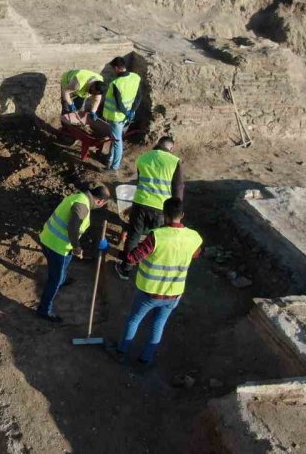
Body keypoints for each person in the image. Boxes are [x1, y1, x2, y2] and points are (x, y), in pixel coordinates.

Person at [109, 197, 202, 365]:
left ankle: (121, 351)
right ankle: (145, 359)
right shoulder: (194, 237)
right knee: (159, 323)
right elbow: (196, 254)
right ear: (182, 215)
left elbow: (132, 258)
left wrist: (108, 249)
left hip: (150, 292)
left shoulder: (157, 236)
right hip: (174, 293)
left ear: (164, 215)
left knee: (134, 319)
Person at [36, 183, 111, 323]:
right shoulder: (82, 206)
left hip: (47, 238)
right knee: (54, 279)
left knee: (62, 267)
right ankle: (44, 310)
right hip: (58, 247)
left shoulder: (79, 196)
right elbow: (73, 227)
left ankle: (62, 280)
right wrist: (77, 247)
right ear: (100, 201)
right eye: (103, 204)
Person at [114, 136, 184, 279]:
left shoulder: (143, 158)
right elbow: (178, 187)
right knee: (157, 240)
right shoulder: (174, 161)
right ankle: (150, 270)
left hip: (140, 203)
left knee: (133, 237)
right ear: (171, 148)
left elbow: (140, 182)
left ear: (158, 144)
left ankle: (125, 269)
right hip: (161, 208)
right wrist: (177, 210)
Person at [102, 57, 142, 171]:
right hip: (128, 116)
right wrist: (132, 111)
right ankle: (110, 159)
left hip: (117, 117)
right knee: (116, 139)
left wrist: (125, 113)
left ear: (116, 68)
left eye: (113, 69)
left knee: (117, 142)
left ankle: (114, 166)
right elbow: (139, 96)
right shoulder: (135, 77)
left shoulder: (116, 83)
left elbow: (119, 104)